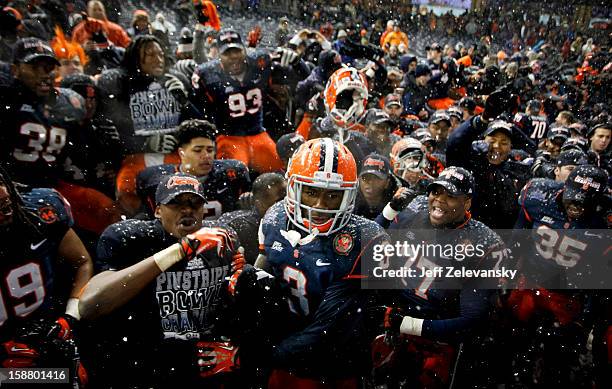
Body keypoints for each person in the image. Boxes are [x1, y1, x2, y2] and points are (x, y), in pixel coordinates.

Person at [79, 172, 242, 387]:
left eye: (195, 203)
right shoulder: (131, 238)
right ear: (157, 210)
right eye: (176, 203)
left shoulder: (222, 239)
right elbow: (90, 304)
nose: (187, 209)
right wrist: (177, 251)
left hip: (198, 367)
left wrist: (241, 351)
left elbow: (246, 308)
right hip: (139, 366)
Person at [255, 138, 389, 387]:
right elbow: (261, 278)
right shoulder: (274, 218)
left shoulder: (366, 239)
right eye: (312, 191)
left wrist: (260, 355)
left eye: (332, 195)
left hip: (336, 368)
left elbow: (329, 330)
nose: (319, 205)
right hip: (285, 357)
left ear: (348, 195)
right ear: (293, 188)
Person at [373, 166, 507, 388]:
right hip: (392, 318)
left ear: (467, 203)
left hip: (437, 336)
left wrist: (408, 325)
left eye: (451, 196)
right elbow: (365, 245)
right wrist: (390, 210)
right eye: (436, 192)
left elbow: (471, 321)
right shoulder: (413, 211)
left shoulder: (483, 244)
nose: (439, 201)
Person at [509, 165, 609, 386]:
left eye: (586, 202)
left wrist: (587, 317)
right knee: (514, 340)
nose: (577, 206)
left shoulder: (605, 220)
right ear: (564, 190)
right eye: (573, 199)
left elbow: (603, 274)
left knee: (559, 359)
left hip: (568, 295)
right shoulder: (537, 194)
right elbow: (517, 239)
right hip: (530, 282)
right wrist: (507, 276)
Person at [0, 167, 92, 386]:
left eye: (5, 205)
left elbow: (82, 262)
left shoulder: (40, 208)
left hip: (42, 333)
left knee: (72, 377)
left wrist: (69, 317)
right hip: (5, 355)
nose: (6, 214)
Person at [191, 28, 308, 173]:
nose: (233, 56)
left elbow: (304, 78)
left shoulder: (260, 63)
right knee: (231, 176)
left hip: (258, 133)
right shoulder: (207, 75)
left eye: (237, 51)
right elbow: (199, 112)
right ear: (219, 55)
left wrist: (297, 61)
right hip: (228, 136)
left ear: (244, 51)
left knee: (282, 171)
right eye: (227, 53)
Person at [136, 119, 251, 220]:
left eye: (210, 150)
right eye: (198, 150)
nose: (206, 156)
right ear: (181, 153)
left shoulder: (233, 173)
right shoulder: (156, 180)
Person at [218, 172, 286, 264]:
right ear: (260, 205)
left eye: (289, 198)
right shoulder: (236, 226)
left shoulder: (297, 220)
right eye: (280, 201)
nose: (286, 204)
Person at [355, 153, 403, 219]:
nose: (370, 182)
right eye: (365, 178)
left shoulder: (399, 204)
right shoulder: (349, 203)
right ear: (358, 179)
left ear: (387, 182)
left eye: (376, 178)